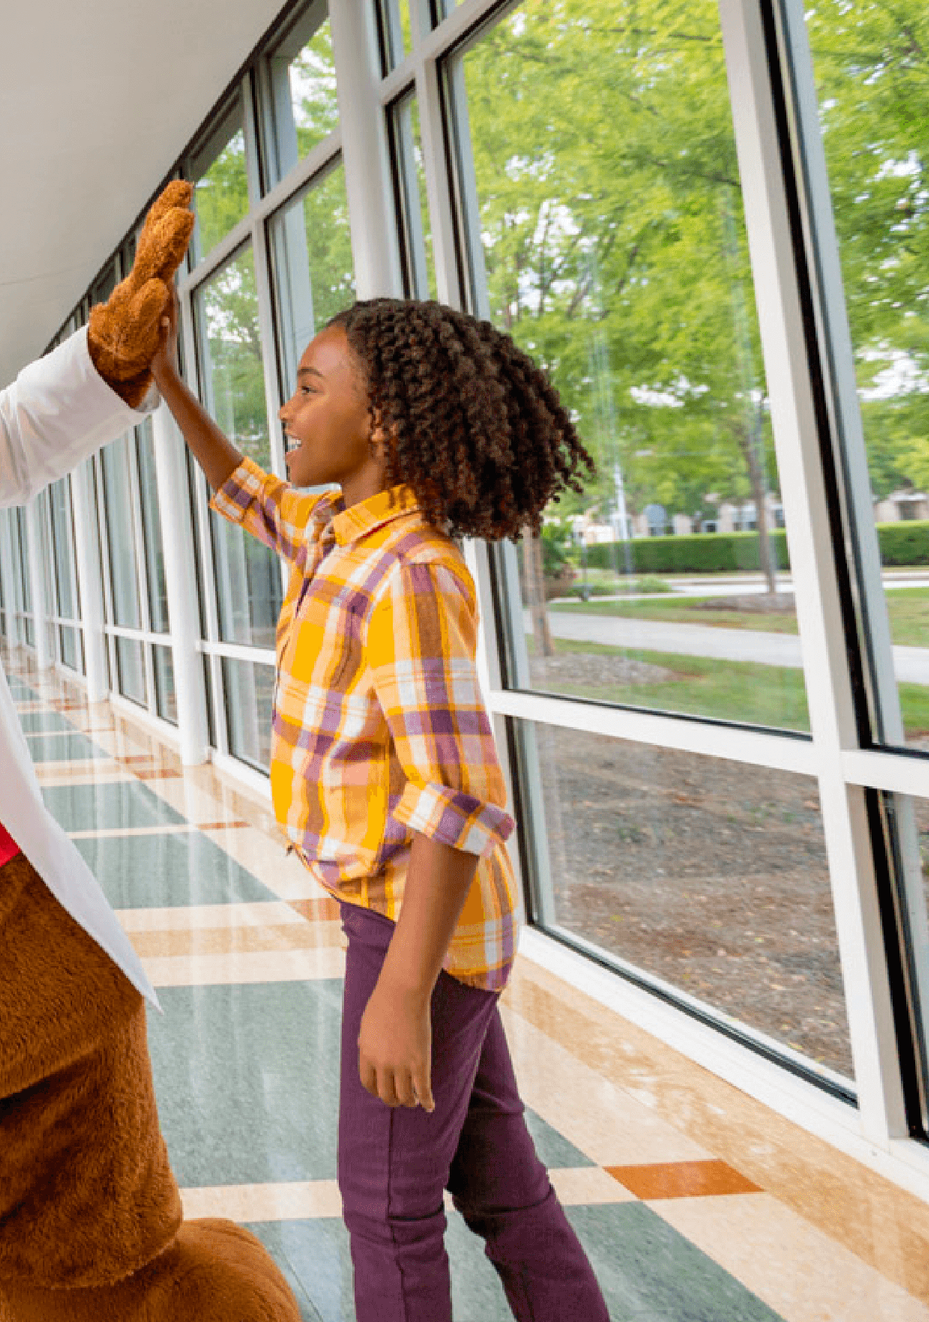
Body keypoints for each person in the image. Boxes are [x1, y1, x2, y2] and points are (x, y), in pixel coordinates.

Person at [151, 290, 610, 1322]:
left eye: (310, 389)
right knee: (502, 1187)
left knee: (387, 1208)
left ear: (383, 423)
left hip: (419, 931)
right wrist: (166, 384)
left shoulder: (407, 572)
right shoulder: (336, 536)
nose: (287, 410)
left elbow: (453, 798)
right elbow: (246, 491)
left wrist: (399, 994)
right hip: (422, 925)